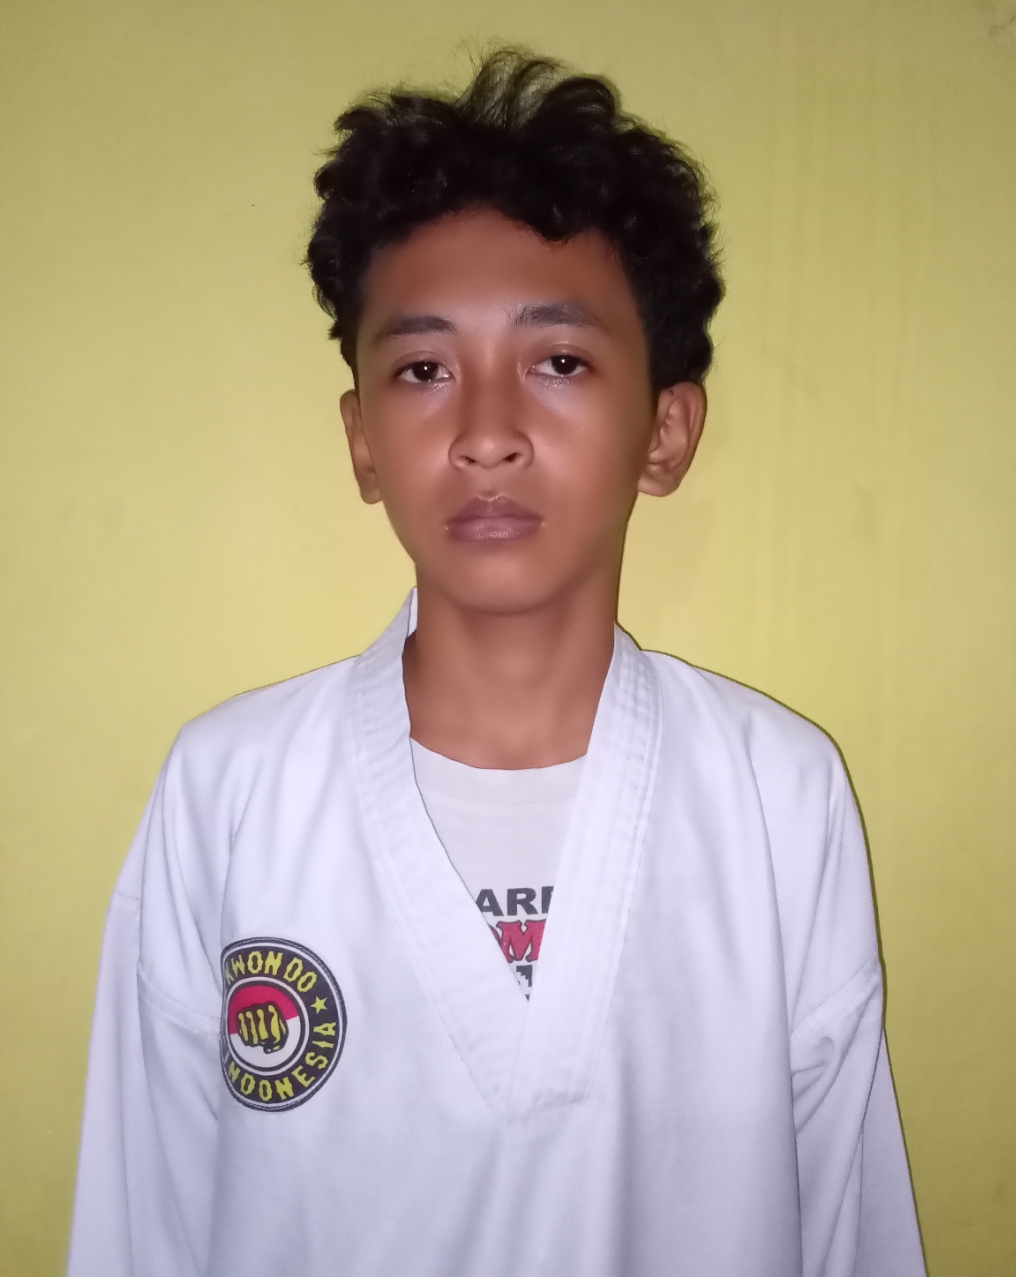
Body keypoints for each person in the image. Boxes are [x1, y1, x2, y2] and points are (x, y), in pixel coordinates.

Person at [68, 50, 926, 1277]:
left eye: (558, 361)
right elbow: (141, 1227)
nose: (483, 434)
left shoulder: (775, 796)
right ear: (362, 439)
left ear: (664, 428)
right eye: (423, 370)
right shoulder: (232, 793)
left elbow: (848, 1227)